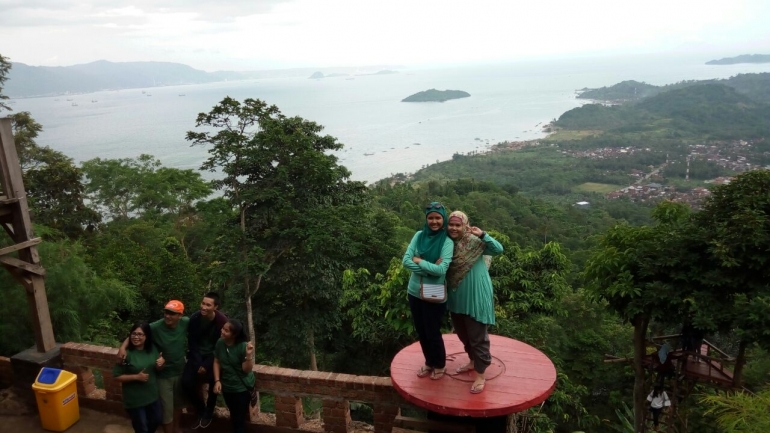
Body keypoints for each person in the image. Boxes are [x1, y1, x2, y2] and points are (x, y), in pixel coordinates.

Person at [445, 210, 504, 394]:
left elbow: (498, 249)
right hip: (456, 296)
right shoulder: (447, 243)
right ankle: (472, 361)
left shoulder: (475, 242)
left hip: (476, 295)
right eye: (451, 224)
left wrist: (483, 235)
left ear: (465, 225)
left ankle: (480, 374)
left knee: (478, 337)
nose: (454, 228)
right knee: (463, 334)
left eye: (458, 225)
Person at [119, 300, 190, 433]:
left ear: (180, 316)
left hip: (180, 372)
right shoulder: (155, 327)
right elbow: (137, 332)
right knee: (166, 411)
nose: (168, 316)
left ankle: (176, 429)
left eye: (172, 314)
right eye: (166, 312)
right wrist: (123, 347)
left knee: (178, 406)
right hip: (163, 375)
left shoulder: (185, 322)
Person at [402, 202, 454, 380]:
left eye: (438, 218)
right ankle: (429, 362)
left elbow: (441, 270)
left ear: (443, 219)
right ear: (426, 219)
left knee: (432, 330)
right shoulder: (418, 236)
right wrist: (429, 268)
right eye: (431, 218)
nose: (434, 221)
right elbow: (405, 261)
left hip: (435, 292)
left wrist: (419, 261)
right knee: (421, 330)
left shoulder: (447, 241)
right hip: (414, 291)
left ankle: (439, 364)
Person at [184, 292, 228, 429]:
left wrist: (206, 364)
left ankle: (209, 411)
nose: (204, 307)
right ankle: (201, 409)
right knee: (186, 383)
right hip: (196, 356)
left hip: (214, 358)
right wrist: (198, 363)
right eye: (203, 303)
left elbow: (220, 345)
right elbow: (192, 342)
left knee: (213, 383)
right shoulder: (195, 318)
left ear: (216, 307)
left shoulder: (221, 321)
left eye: (208, 305)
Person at [113, 322, 164, 433]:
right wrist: (136, 377)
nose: (136, 337)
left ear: (147, 336)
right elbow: (116, 376)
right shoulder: (126, 354)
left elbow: (157, 369)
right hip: (135, 399)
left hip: (152, 395)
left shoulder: (152, 349)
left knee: (157, 420)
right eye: (134, 334)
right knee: (141, 428)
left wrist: (160, 364)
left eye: (140, 334)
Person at [213, 319, 256, 433]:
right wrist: (217, 380)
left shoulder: (242, 346)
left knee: (239, 419)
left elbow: (246, 370)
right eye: (223, 328)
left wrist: (248, 355)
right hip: (227, 386)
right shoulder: (220, 343)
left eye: (226, 331)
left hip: (241, 388)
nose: (222, 331)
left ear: (234, 335)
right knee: (233, 415)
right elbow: (216, 361)